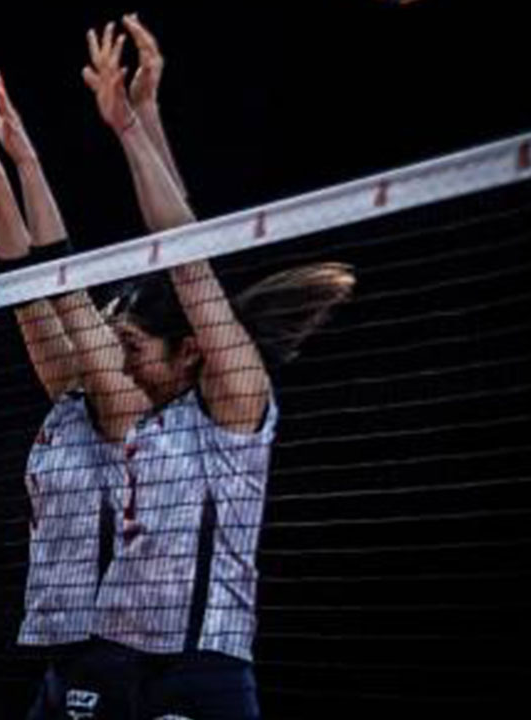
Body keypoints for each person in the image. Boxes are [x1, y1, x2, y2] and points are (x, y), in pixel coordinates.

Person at [65, 15, 356, 719]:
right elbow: (181, 251)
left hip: (204, 668)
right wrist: (147, 115)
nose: (121, 368)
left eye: (135, 349)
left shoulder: (233, 395)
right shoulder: (148, 414)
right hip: (119, 657)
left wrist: (127, 130)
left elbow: (188, 261)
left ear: (191, 349)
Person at [0, 70, 139, 719]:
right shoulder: (71, 396)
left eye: (115, 325)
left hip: (119, 641)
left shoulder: (127, 412)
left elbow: (63, 282)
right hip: (62, 642)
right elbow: (25, 290)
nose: (101, 324)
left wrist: (27, 161)